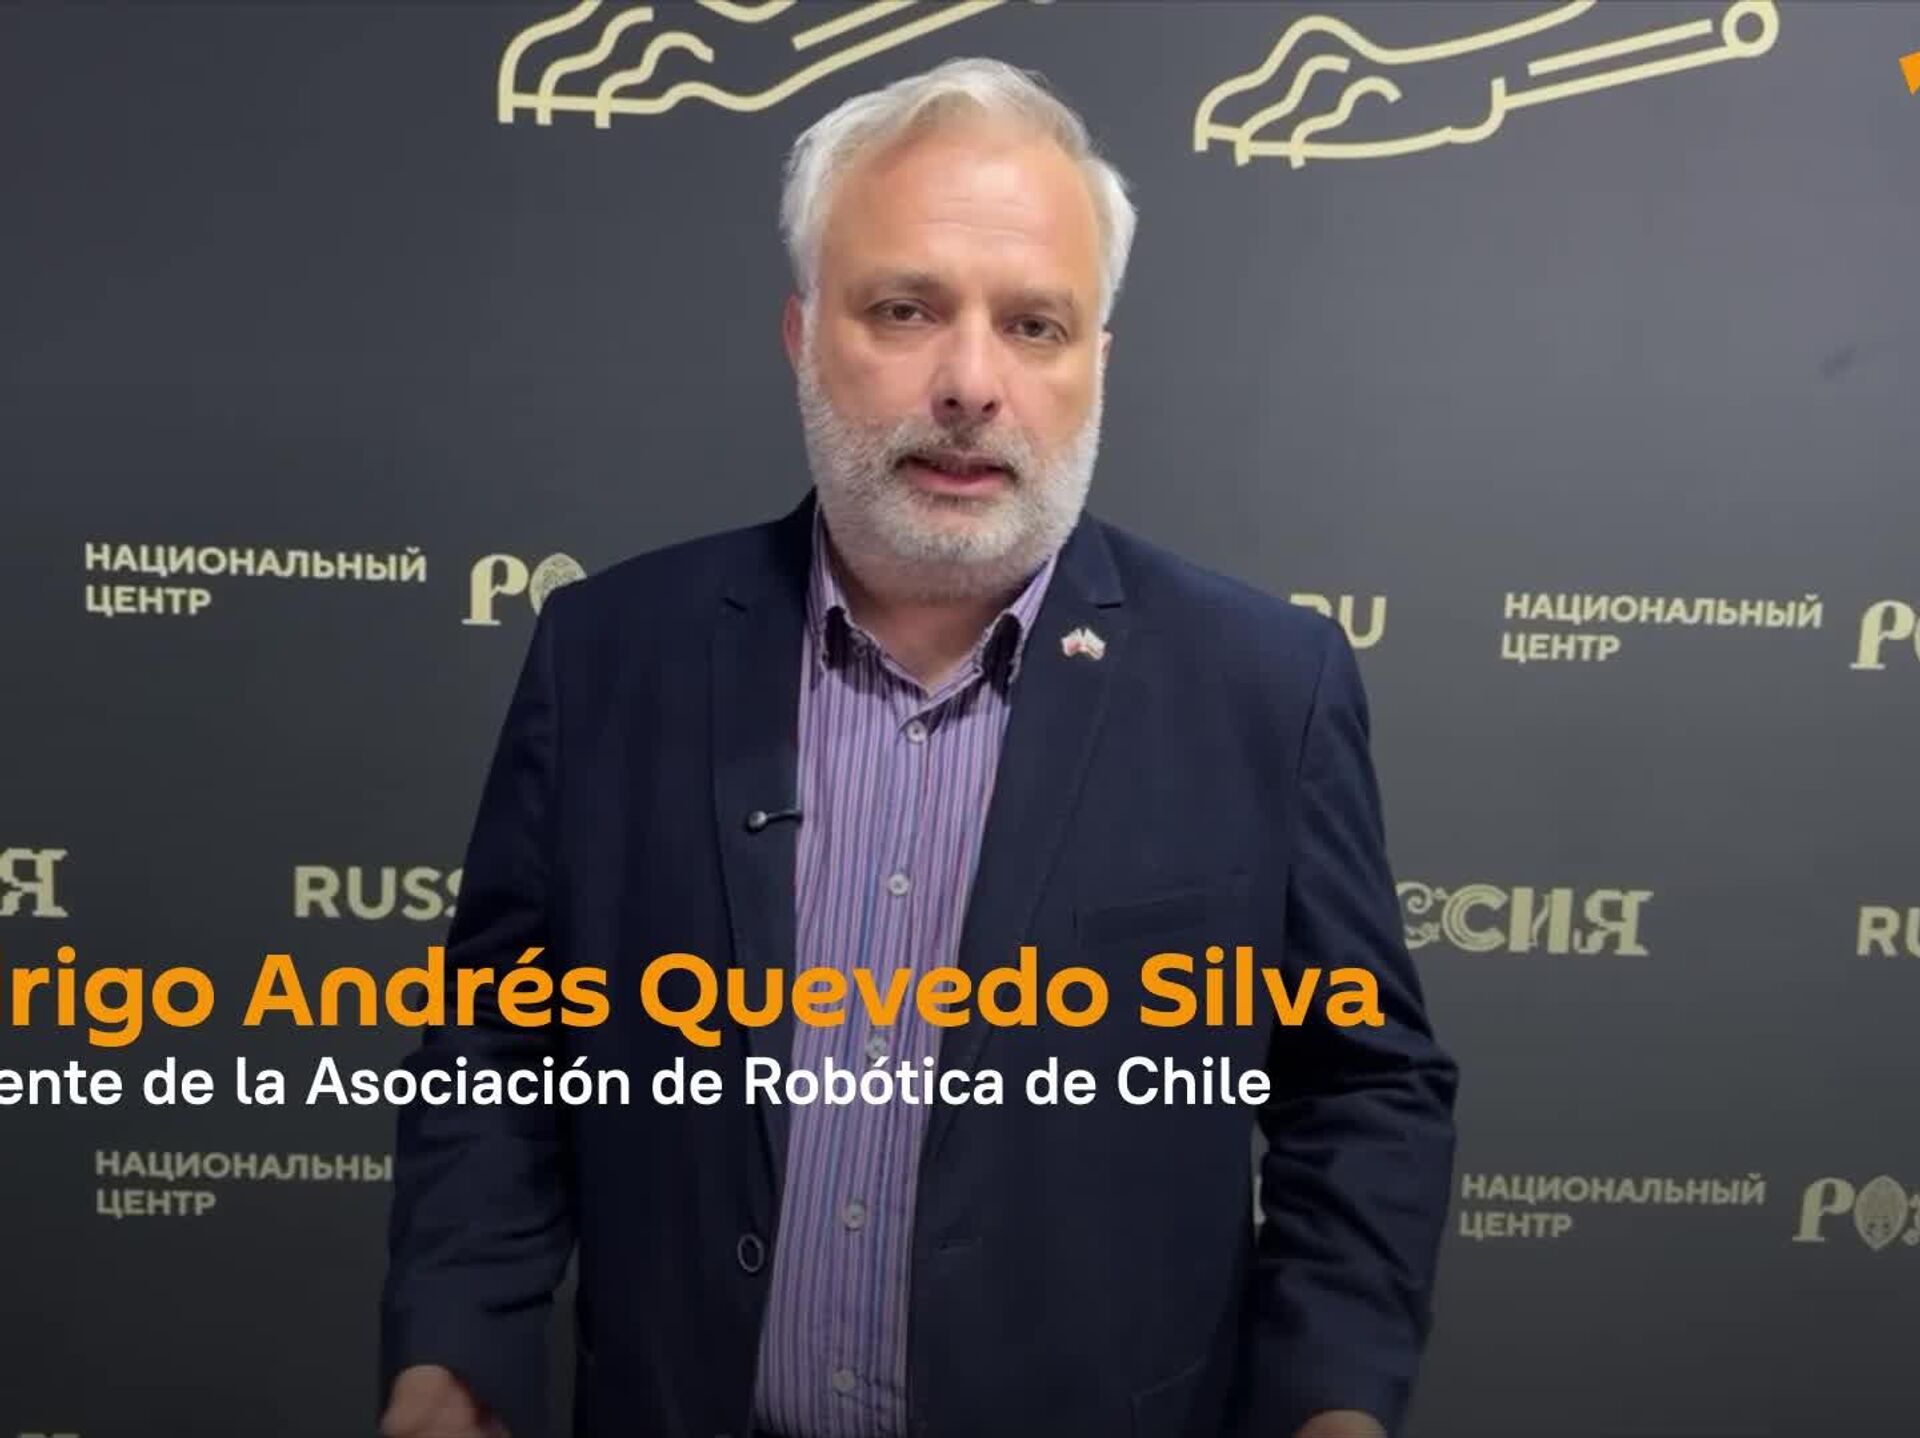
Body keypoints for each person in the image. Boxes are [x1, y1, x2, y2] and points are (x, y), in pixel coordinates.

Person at [379, 56, 1457, 1438]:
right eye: (906, 309)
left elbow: (1362, 1089)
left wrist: (1332, 1402)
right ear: (802, 332)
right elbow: (501, 1045)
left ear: (1097, 362)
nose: (970, 384)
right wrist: (456, 1352)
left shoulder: (1265, 686)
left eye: (1035, 325)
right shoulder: (608, 655)